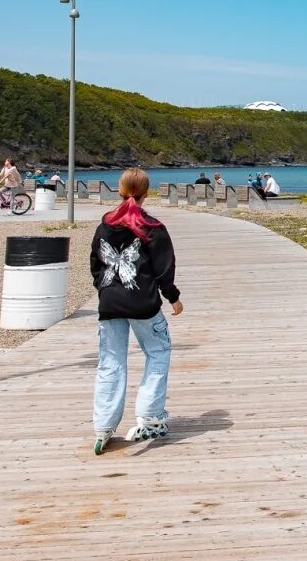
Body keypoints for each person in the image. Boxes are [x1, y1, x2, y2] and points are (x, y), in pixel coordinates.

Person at [90, 167, 182, 455]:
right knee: (158, 351)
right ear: (146, 193)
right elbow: (164, 269)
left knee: (111, 361)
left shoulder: (105, 224)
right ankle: (150, 415)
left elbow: (96, 263)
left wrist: (105, 289)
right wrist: (173, 297)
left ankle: (103, 425)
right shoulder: (152, 227)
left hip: (110, 302)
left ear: (119, 191)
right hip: (143, 302)